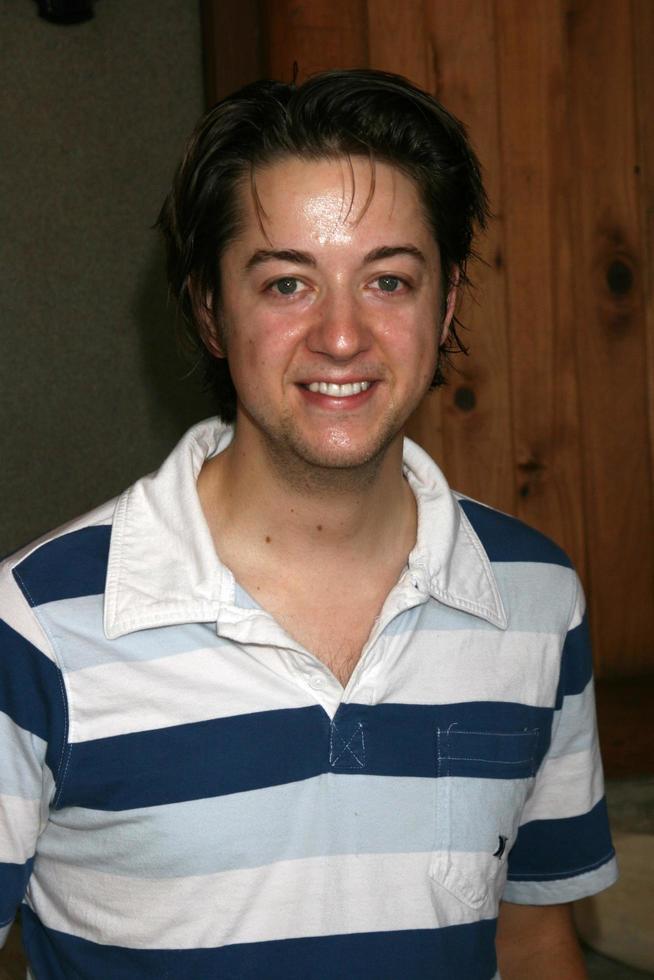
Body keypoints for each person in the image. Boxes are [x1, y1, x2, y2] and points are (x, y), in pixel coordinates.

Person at [0, 69, 617, 979]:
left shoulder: (536, 599)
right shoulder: (37, 624)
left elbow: (531, 942)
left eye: (389, 281)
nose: (340, 336)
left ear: (445, 307)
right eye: (288, 284)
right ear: (211, 311)